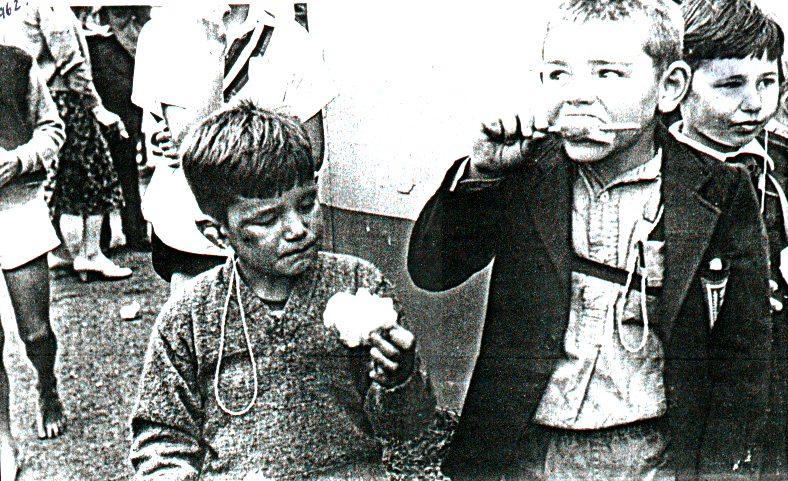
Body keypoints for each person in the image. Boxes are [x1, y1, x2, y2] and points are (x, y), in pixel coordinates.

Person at [407, 0, 772, 479]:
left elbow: (742, 355)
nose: (577, 96)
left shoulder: (720, 193)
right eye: (559, 74)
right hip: (526, 447)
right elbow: (432, 270)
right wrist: (481, 175)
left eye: (607, 74)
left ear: (670, 87)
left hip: (652, 452)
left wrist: (725, 469)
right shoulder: (525, 171)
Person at [129, 102, 443, 480]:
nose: (298, 229)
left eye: (307, 204)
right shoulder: (190, 316)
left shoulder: (360, 284)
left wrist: (399, 378)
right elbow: (162, 438)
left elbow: (407, 428)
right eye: (267, 219)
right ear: (216, 233)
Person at [132, 4, 336, 296]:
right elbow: (193, 147)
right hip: (194, 230)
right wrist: (214, 54)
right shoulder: (163, 32)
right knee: (201, 331)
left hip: (274, 232)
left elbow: (313, 151)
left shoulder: (289, 36)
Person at [666, 0, 786, 477]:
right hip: (697, 380)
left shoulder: (778, 167)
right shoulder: (660, 171)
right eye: (730, 85)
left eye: (768, 82)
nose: (755, 104)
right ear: (676, 87)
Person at [3, 4, 132, 281]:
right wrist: (96, 107)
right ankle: (90, 254)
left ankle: (62, 252)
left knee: (57, 180)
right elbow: (70, 60)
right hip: (64, 98)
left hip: (29, 101)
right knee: (94, 174)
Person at [0, 43, 66, 480]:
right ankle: (3, 437)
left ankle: (47, 385)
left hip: (16, 208)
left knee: (35, 332)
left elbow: (52, 129)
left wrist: (19, 159)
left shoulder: (15, 65)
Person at [79, 6, 152, 252]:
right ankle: (101, 239)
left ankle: (134, 231)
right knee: (96, 156)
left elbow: (144, 13)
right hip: (86, 57)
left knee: (124, 154)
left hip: (118, 55)